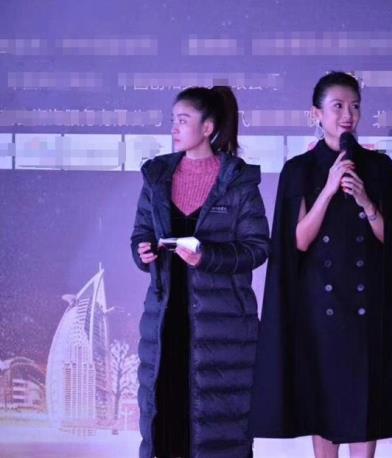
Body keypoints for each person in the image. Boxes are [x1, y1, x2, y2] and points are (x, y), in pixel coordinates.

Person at [251, 72, 392, 458]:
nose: (347, 115)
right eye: (337, 106)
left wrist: (367, 203)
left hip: (367, 306)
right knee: (323, 400)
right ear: (316, 115)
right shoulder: (299, 169)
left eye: (354, 106)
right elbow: (297, 241)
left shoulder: (379, 167)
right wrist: (328, 190)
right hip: (319, 309)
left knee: (365, 399)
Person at [130, 86, 269, 458]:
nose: (174, 128)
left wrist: (206, 256)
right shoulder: (157, 177)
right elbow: (141, 233)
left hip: (221, 329)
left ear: (207, 128)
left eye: (183, 120)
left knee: (218, 432)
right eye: (173, 120)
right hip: (165, 323)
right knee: (165, 424)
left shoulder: (238, 181)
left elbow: (257, 248)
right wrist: (142, 251)